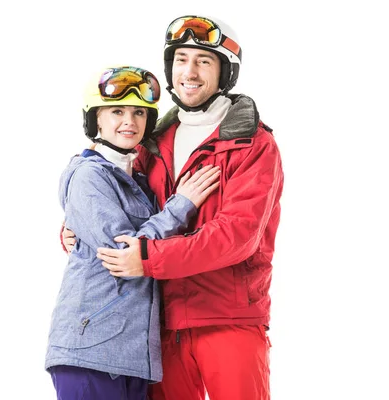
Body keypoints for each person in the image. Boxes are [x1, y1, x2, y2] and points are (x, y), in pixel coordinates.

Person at [62, 16, 284, 400]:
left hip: (226, 318)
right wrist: (78, 225)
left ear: (224, 72)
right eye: (181, 59)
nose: (190, 72)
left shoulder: (252, 144)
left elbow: (237, 236)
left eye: (204, 60)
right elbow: (125, 208)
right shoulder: (151, 141)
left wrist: (147, 256)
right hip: (158, 326)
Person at [45, 65, 221, 400]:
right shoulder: (88, 176)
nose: (130, 121)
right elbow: (123, 252)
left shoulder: (136, 181)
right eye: (117, 111)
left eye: (139, 112)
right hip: (91, 352)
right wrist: (181, 204)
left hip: (132, 358)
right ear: (96, 119)